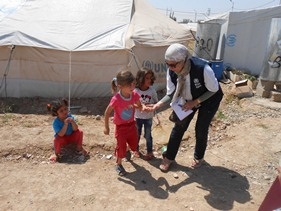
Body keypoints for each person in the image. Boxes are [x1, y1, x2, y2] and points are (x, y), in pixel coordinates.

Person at [152, 43, 223, 172]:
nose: (170, 67)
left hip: (209, 99)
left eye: (173, 64)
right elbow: (171, 93)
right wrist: (159, 104)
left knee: (201, 128)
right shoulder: (171, 71)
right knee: (179, 127)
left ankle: (198, 157)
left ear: (184, 60)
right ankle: (169, 158)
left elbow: (213, 89)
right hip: (187, 99)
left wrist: (195, 102)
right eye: (167, 64)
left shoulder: (203, 68)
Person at [103, 69, 146, 176]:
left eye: (133, 84)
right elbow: (107, 112)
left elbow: (138, 105)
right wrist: (106, 127)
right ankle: (118, 164)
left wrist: (140, 106)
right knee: (121, 146)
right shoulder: (116, 99)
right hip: (121, 127)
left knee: (134, 145)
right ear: (120, 87)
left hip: (131, 125)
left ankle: (125, 149)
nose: (132, 87)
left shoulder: (134, 94)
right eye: (129, 85)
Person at [47, 98, 88, 163]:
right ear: (56, 113)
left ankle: (79, 147)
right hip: (63, 138)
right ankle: (57, 154)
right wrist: (65, 124)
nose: (64, 112)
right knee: (56, 140)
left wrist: (72, 122)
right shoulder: (56, 122)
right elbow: (60, 134)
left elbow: (75, 129)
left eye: (65, 109)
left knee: (80, 132)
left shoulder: (70, 116)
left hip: (71, 136)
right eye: (61, 111)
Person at [134, 68, 158, 160]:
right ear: (141, 79)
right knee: (137, 134)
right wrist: (140, 106)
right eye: (147, 78)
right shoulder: (135, 91)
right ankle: (135, 149)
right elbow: (132, 104)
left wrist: (150, 106)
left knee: (148, 135)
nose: (149, 80)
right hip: (137, 117)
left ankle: (149, 151)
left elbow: (156, 103)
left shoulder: (152, 91)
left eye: (150, 78)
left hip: (148, 117)